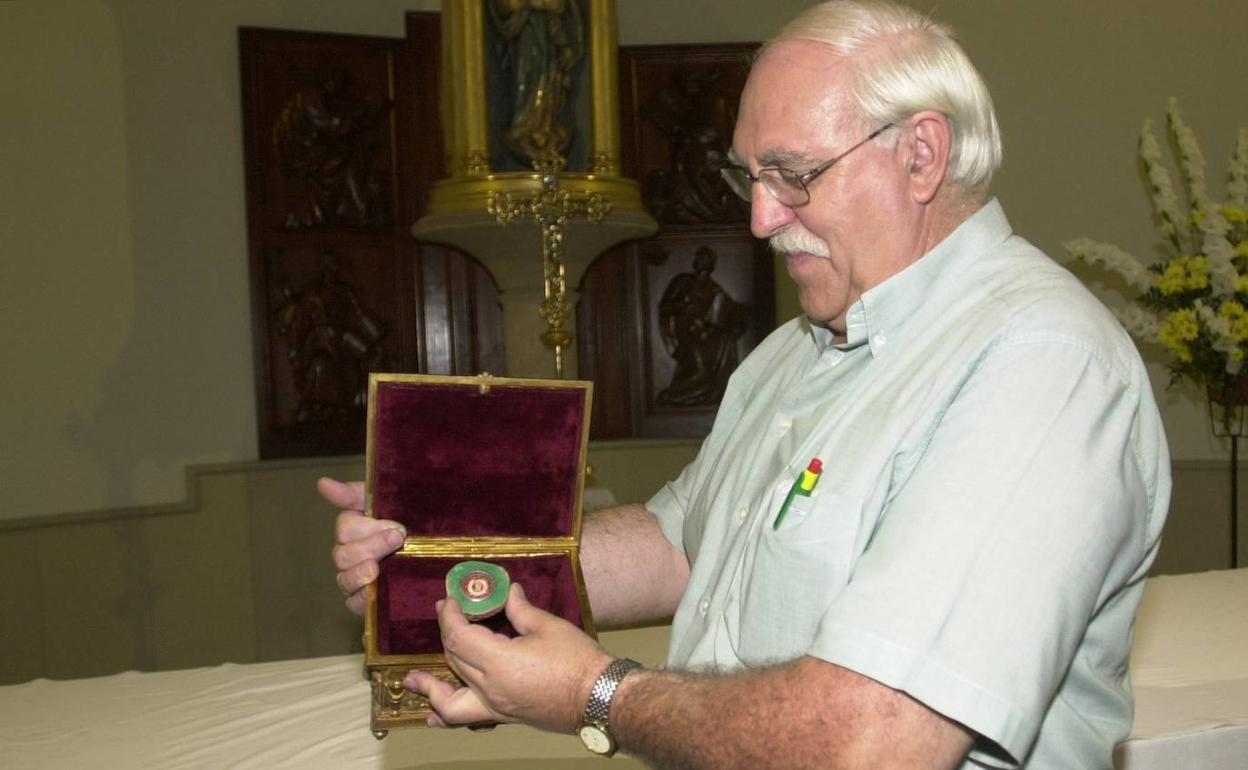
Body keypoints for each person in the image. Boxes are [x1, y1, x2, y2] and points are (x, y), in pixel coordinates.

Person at [324, 1, 1170, 767]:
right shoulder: (792, 350)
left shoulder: (1041, 364)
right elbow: (681, 544)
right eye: (749, 176)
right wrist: (449, 554)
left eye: (793, 174)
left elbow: (876, 744)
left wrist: (598, 694)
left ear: (921, 156)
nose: (760, 219)